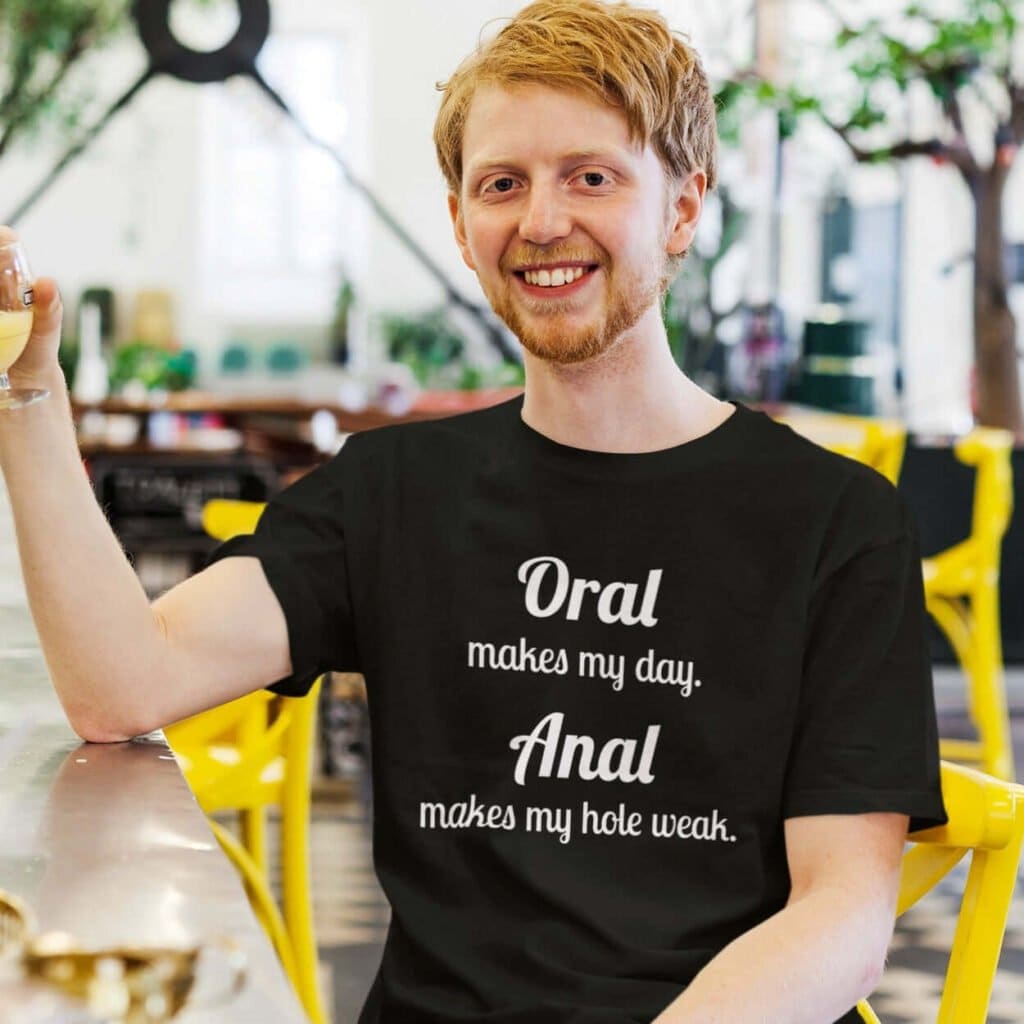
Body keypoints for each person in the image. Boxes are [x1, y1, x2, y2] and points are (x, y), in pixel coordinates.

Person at [0, 1, 946, 1021]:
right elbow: (120, 686)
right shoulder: (390, 493)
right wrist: (26, 393)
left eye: (592, 175)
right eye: (503, 183)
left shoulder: (833, 521)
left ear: (681, 207)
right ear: (459, 224)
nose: (541, 221)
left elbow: (843, 913)